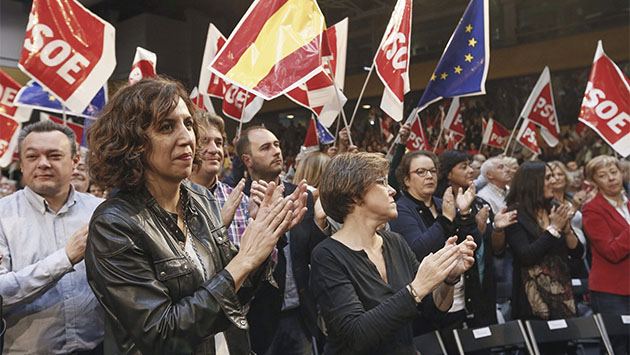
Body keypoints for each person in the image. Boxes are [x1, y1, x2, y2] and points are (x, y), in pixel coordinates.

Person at [85, 77, 307, 354]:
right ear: (132, 142)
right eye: (166, 127)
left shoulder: (201, 198)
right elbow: (160, 333)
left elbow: (235, 293)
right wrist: (244, 259)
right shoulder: (114, 223)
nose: (186, 138)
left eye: (188, 124)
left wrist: (264, 241)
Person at [311, 152, 476, 354]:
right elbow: (356, 335)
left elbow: (433, 310)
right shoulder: (327, 255)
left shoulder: (395, 242)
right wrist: (418, 287)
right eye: (381, 183)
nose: (392, 191)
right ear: (354, 195)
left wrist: (449, 278)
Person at [0, 120, 104, 353]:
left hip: (98, 347)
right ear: (22, 163)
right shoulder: (2, 217)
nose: (43, 164)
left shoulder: (101, 212)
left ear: (75, 161)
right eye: (32, 156)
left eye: (54, 155)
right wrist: (64, 259)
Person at [235, 126, 328, 354]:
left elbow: (312, 253)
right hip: (260, 320)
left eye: (276, 144)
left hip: (301, 316)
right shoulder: (236, 202)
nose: (276, 151)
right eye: (266, 148)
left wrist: (320, 224)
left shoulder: (300, 195)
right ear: (247, 159)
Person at [436, 150, 517, 329]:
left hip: (484, 278)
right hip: (457, 288)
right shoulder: (440, 204)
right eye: (463, 167)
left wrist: (497, 229)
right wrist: (475, 230)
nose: (470, 171)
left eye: (470, 166)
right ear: (449, 173)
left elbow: (497, 248)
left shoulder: (479, 202)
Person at [504, 162, 583, 323]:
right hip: (532, 300)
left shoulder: (554, 208)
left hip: (562, 296)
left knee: (564, 347)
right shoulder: (514, 214)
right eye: (548, 177)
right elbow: (526, 255)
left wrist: (567, 231)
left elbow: (577, 253)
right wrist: (554, 229)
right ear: (532, 182)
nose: (553, 181)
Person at [582, 155, 629, 354]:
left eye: (614, 172)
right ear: (593, 182)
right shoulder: (592, 210)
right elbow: (612, 251)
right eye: (603, 175)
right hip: (612, 291)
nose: (611, 178)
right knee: (617, 347)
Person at [189, 111, 250, 247]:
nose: (214, 149)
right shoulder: (174, 199)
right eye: (204, 142)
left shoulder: (241, 201)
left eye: (218, 142)